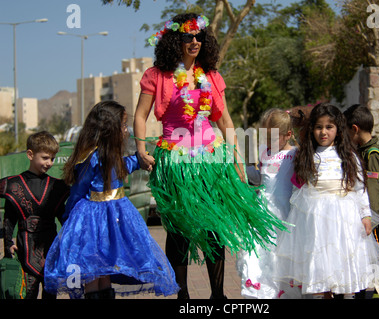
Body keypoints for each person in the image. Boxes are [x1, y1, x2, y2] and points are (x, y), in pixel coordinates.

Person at [133, 13, 285, 299]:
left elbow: (225, 122)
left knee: (215, 228)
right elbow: (140, 115)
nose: (194, 41)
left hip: (210, 162)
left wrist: (237, 159)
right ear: (175, 39)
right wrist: (141, 150)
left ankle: (218, 296)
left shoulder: (212, 77)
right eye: (188, 36)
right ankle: (183, 296)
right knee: (178, 230)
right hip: (174, 162)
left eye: (199, 36)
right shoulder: (157, 76)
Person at [44, 101, 179, 299]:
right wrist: (68, 219)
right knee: (92, 266)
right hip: (92, 218)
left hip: (116, 215)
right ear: (109, 128)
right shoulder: (90, 157)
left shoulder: (112, 154)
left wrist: (141, 159)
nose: (126, 130)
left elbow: (121, 166)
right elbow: (79, 189)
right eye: (123, 125)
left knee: (106, 264)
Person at [275, 103, 379, 299]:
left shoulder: (348, 156)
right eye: (318, 127)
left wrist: (365, 215)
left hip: (344, 216)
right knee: (318, 262)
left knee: (344, 261)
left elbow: (359, 187)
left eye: (329, 127)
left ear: (338, 129)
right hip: (315, 217)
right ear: (312, 129)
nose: (323, 132)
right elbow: (300, 188)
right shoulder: (307, 156)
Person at [0, 131, 70, 299]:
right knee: (27, 293)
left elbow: (63, 216)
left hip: (50, 248)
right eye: (45, 157)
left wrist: (70, 239)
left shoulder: (56, 187)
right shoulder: (14, 185)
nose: (49, 163)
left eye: (52, 158)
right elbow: (9, 218)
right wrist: (8, 243)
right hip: (25, 248)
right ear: (30, 154)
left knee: (50, 294)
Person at [237, 108, 296, 299]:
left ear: (288, 135)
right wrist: (243, 172)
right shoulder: (265, 154)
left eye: (272, 137)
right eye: (265, 136)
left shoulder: (295, 155)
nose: (268, 141)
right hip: (263, 210)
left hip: (284, 212)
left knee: (281, 253)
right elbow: (261, 178)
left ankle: (283, 291)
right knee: (261, 253)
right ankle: (263, 291)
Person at [344, 104, 379, 299]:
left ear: (354, 129)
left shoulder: (372, 154)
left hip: (374, 222)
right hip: (369, 220)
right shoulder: (363, 151)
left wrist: (369, 218)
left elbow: (375, 195)